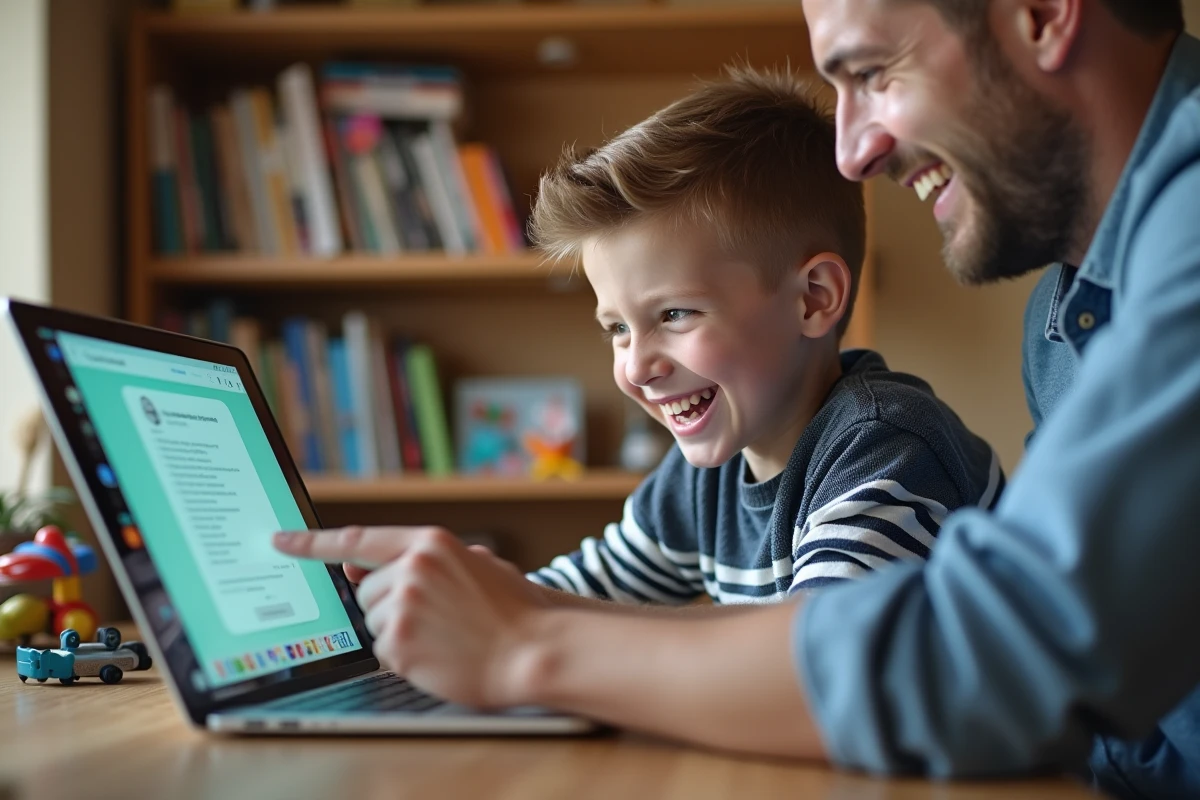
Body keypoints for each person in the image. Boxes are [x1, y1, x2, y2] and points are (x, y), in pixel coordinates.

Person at [274, 0, 1200, 792]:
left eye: (873, 71)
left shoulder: (885, 438)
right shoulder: (1069, 307)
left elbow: (979, 644)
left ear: (1041, 14)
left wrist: (526, 648)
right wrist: (483, 609)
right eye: (617, 328)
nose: (852, 150)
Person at [522, 68, 1000, 606]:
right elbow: (578, 597)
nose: (635, 368)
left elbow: (811, 664)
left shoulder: (886, 450)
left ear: (813, 299)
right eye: (617, 328)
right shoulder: (703, 478)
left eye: (676, 314)